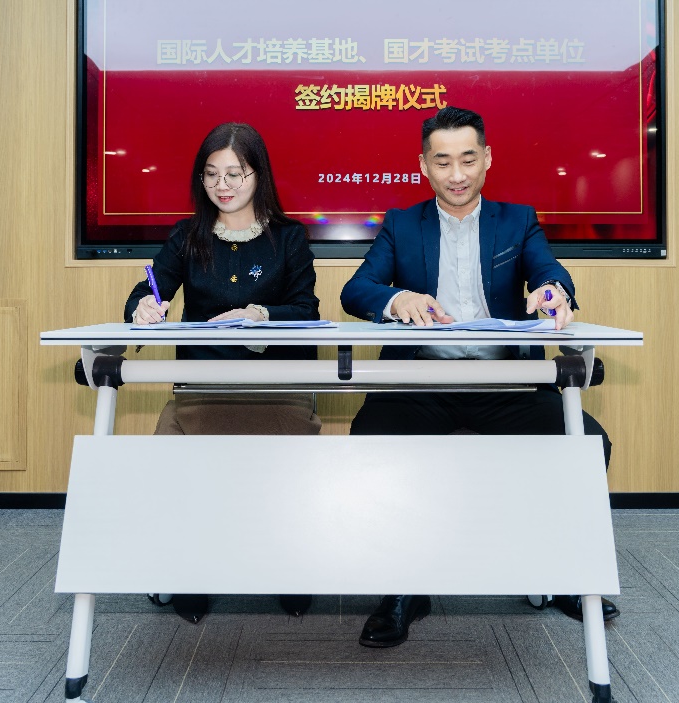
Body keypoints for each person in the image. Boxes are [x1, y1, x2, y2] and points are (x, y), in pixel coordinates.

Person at [340, 106, 619, 649]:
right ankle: (402, 588)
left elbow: (547, 272)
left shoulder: (517, 221)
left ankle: (560, 570)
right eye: (442, 162)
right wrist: (398, 298)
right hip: (423, 383)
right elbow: (357, 290)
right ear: (423, 165)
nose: (457, 174)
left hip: (505, 383)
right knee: (372, 441)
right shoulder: (402, 224)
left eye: (468, 159)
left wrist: (553, 292)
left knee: (585, 444)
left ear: (487, 159)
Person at [125, 122, 319, 622]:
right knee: (176, 468)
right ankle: (191, 570)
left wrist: (262, 316)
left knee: (282, 478)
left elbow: (308, 312)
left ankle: (287, 566)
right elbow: (147, 291)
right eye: (211, 174)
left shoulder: (289, 238)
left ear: (259, 176)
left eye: (236, 173)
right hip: (203, 389)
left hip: (276, 391)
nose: (223, 185)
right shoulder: (186, 236)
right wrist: (143, 307)